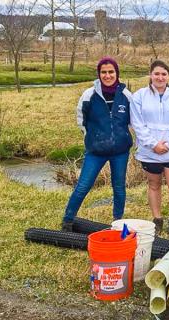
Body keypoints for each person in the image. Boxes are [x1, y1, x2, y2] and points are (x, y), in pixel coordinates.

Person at [61, 57, 133, 231]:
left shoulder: (126, 95)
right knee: (83, 185)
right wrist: (91, 137)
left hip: (120, 151)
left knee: (119, 187)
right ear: (99, 74)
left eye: (111, 72)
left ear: (117, 73)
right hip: (95, 151)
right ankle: (67, 220)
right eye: (104, 72)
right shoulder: (89, 95)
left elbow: (132, 121)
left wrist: (125, 137)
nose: (107, 75)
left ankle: (117, 222)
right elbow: (81, 120)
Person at [131, 60, 169, 236]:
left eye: (164, 74)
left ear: (168, 76)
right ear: (150, 75)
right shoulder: (139, 96)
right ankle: (157, 219)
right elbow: (137, 123)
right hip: (149, 152)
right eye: (156, 74)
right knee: (154, 184)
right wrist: (152, 144)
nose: (160, 77)